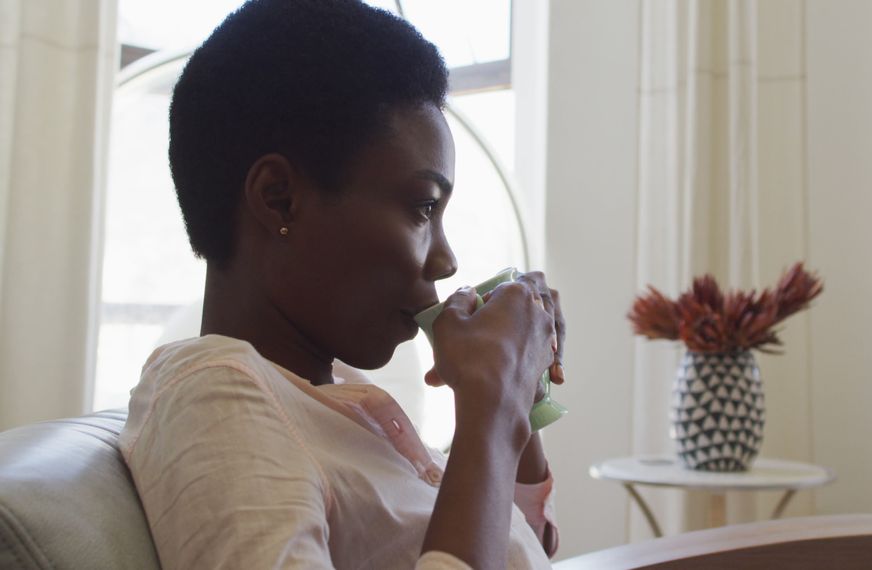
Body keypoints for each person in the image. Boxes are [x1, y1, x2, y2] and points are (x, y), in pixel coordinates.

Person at [118, 1, 566, 568]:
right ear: (279, 197)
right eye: (424, 207)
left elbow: (523, 545)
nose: (447, 260)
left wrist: (520, 398)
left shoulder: (334, 403)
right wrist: (492, 406)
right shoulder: (216, 396)